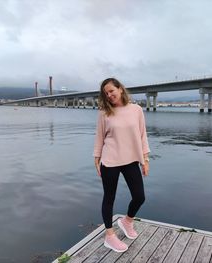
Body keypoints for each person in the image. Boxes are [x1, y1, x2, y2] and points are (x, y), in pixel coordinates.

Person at [93, 78, 150, 253]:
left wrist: (145, 159)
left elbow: (142, 135)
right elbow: (100, 137)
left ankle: (127, 221)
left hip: (131, 159)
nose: (109, 95)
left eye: (111, 91)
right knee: (109, 198)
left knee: (139, 196)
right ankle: (109, 236)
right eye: (106, 93)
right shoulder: (104, 113)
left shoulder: (136, 109)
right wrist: (96, 157)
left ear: (120, 89)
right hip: (110, 161)